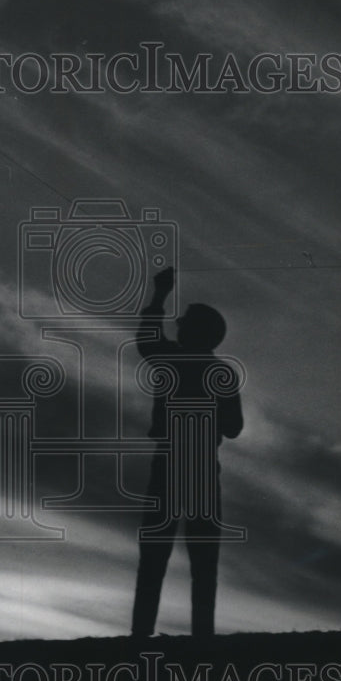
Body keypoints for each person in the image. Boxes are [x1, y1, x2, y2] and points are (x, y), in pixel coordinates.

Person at [130, 266, 243, 638]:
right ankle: (201, 637)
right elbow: (234, 427)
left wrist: (160, 295)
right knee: (202, 561)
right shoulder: (219, 373)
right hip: (200, 469)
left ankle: (142, 635)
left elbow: (147, 340)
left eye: (185, 324)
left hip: (170, 465)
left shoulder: (173, 359)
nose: (179, 328)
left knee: (155, 557)